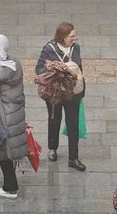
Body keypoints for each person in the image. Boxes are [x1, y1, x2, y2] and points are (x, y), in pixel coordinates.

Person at [0, 34, 30, 200]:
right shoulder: (16, 63)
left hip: (0, 115)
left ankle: (11, 187)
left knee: (3, 150)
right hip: (15, 113)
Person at [36, 22, 86, 171]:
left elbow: (79, 69)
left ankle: (73, 158)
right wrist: (55, 70)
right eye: (72, 36)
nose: (74, 38)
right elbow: (39, 68)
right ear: (63, 37)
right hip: (54, 92)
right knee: (54, 119)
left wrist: (82, 90)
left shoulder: (75, 48)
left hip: (72, 93)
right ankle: (52, 148)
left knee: (73, 125)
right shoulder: (48, 49)